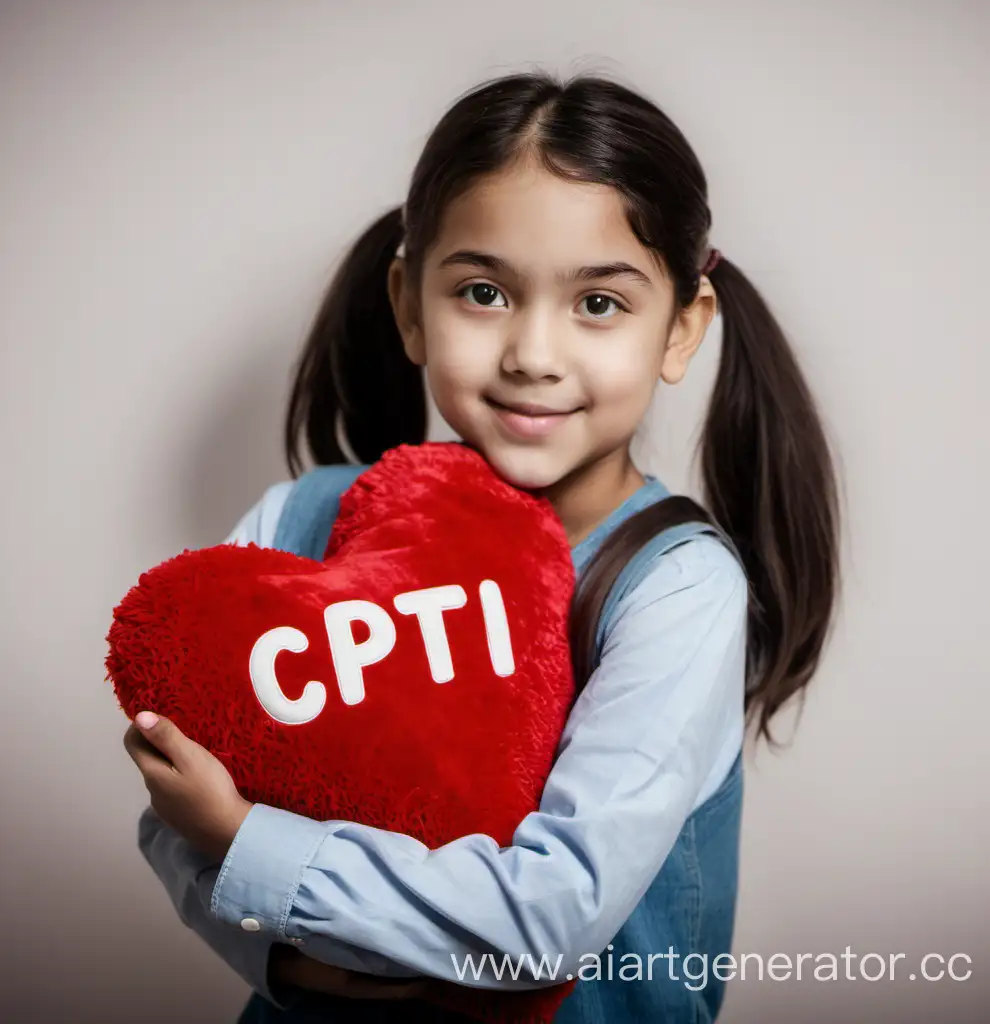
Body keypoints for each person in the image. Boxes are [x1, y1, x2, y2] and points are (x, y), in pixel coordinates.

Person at [124, 71, 840, 1023]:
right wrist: (286, 971)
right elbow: (174, 814)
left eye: (598, 305)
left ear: (682, 328)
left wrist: (250, 842)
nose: (533, 353)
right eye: (483, 292)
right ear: (410, 304)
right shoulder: (294, 527)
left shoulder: (674, 590)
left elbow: (553, 917)